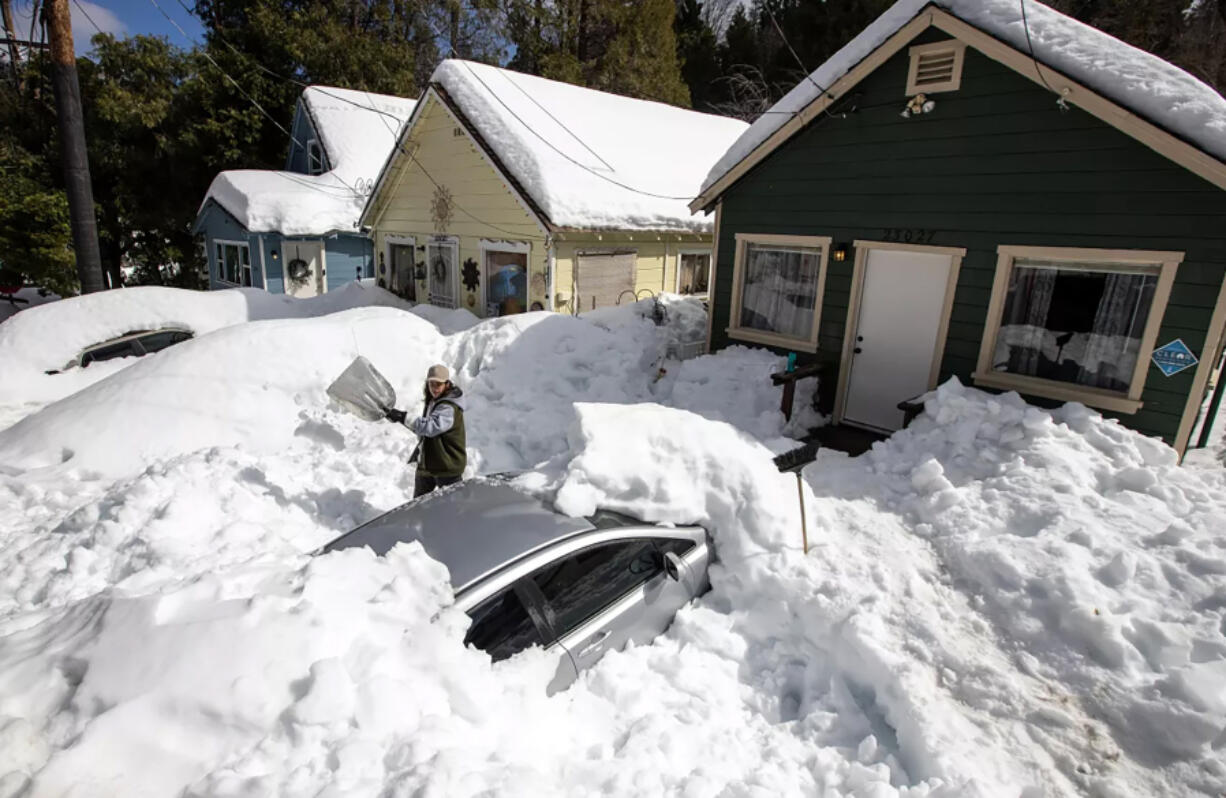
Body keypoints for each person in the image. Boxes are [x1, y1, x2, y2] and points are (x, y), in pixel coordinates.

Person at [385, 364, 467, 498]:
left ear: (446, 384)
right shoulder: (434, 401)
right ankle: (418, 519)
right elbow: (424, 429)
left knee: (455, 506)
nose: (434, 388)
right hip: (428, 463)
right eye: (431, 384)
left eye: (438, 384)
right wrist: (400, 419)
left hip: (447, 466)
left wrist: (403, 417)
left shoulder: (448, 407)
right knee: (418, 504)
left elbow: (431, 427)